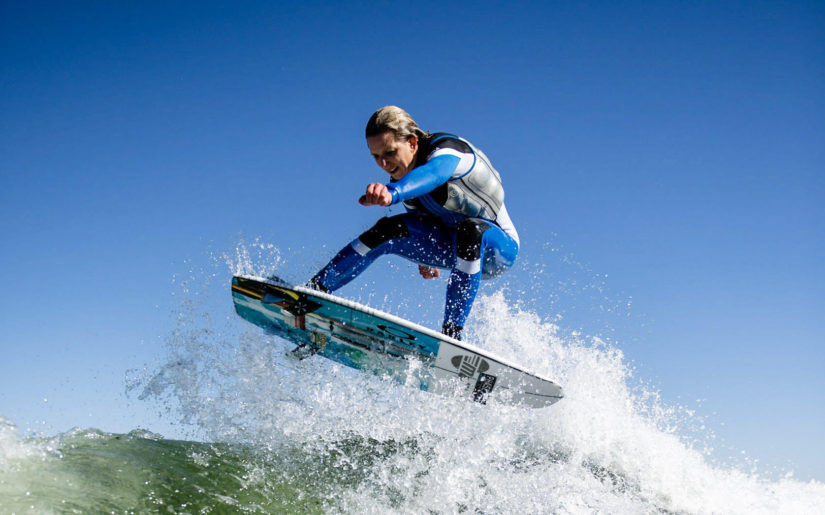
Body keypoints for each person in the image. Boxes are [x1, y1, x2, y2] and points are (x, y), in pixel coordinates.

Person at [308, 106, 519, 341]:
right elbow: (423, 224)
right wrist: (424, 256)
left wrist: (393, 192)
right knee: (386, 230)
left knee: (471, 231)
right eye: (376, 157)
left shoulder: (448, 151)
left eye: (389, 152)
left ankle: (451, 337)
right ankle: (312, 292)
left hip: (497, 249)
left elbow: (434, 175)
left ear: (412, 143)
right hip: (454, 246)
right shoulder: (406, 184)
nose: (384, 164)